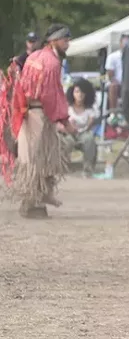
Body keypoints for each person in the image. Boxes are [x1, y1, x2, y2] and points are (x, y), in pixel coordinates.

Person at [0, 24, 76, 218]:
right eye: (65, 40)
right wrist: (65, 120)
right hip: (40, 115)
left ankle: (35, 199)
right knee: (39, 159)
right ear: (53, 40)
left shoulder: (34, 56)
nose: (68, 44)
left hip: (27, 113)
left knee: (32, 157)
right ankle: (32, 203)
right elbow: (53, 96)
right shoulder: (51, 64)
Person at [62, 78, 98, 177]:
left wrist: (88, 125)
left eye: (82, 92)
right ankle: (62, 166)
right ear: (72, 93)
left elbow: (90, 124)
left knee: (89, 139)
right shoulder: (67, 108)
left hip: (83, 133)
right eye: (77, 91)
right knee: (67, 141)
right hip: (69, 133)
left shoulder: (90, 110)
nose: (80, 94)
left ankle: (87, 169)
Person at [105, 34, 129, 115]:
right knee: (113, 86)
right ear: (120, 43)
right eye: (125, 42)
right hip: (117, 84)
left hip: (128, 84)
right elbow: (110, 75)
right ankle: (113, 112)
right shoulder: (113, 56)